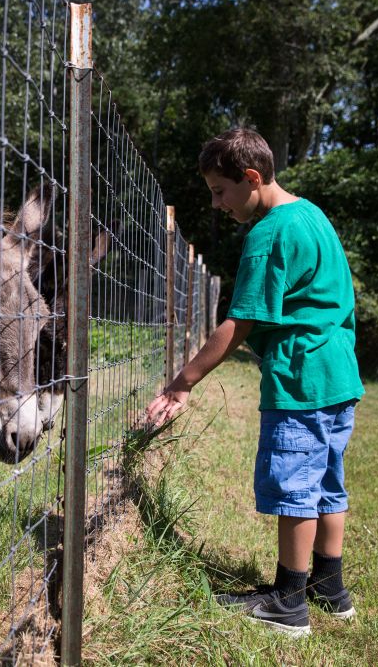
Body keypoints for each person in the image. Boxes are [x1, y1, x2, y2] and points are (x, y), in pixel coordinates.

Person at [145, 127, 363, 638]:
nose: (218, 205)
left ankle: (288, 600)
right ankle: (329, 588)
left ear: (251, 177)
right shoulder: (312, 214)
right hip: (338, 373)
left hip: (301, 377)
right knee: (329, 484)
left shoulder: (269, 233)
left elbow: (240, 323)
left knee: (295, 487)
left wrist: (183, 382)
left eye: (220, 192)